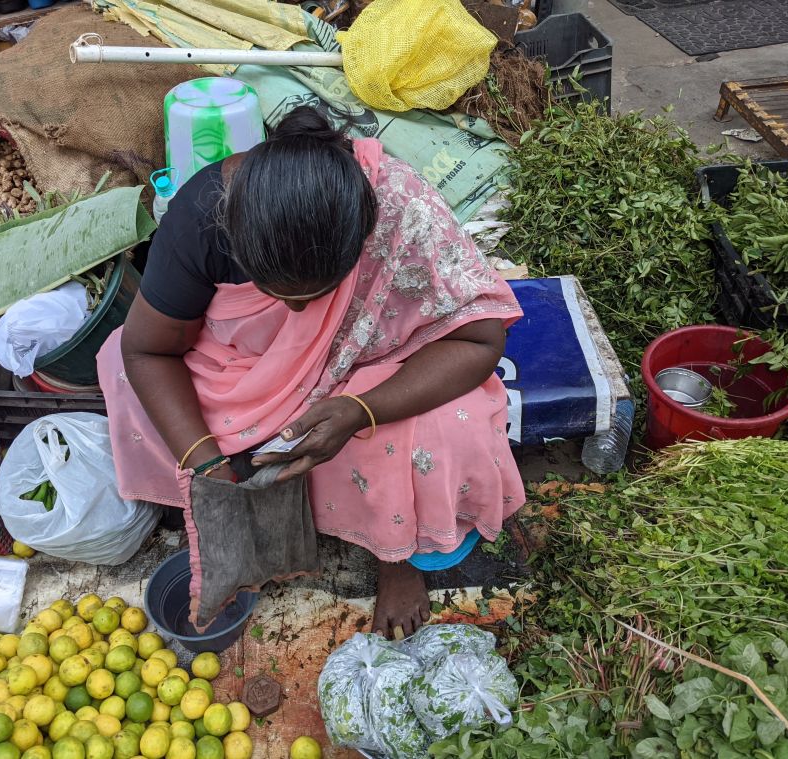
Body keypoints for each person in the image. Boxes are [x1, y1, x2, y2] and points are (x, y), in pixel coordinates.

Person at [97, 106, 525, 639]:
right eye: (277, 293)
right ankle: (229, 502)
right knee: (119, 371)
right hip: (247, 369)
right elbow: (147, 351)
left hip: (370, 364)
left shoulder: (398, 206)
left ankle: (398, 557)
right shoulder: (204, 214)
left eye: (318, 294)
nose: (300, 315)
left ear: (361, 242)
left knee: (448, 423)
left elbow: (479, 338)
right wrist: (207, 469)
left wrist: (360, 410)